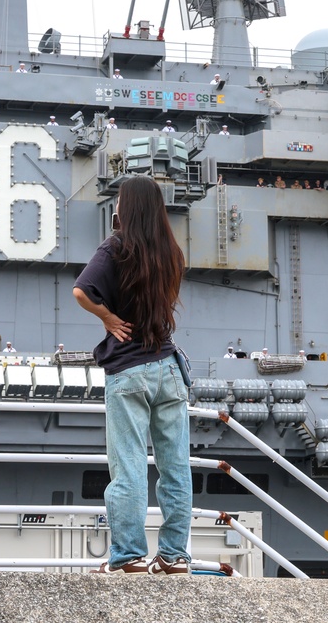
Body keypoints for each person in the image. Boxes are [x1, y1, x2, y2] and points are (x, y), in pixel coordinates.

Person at [73, 175, 191, 576]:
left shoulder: (117, 247)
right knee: (175, 469)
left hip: (129, 369)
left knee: (129, 468)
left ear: (126, 206)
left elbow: (81, 290)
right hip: (169, 368)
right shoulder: (171, 251)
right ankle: (175, 557)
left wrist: (108, 318)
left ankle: (127, 557)